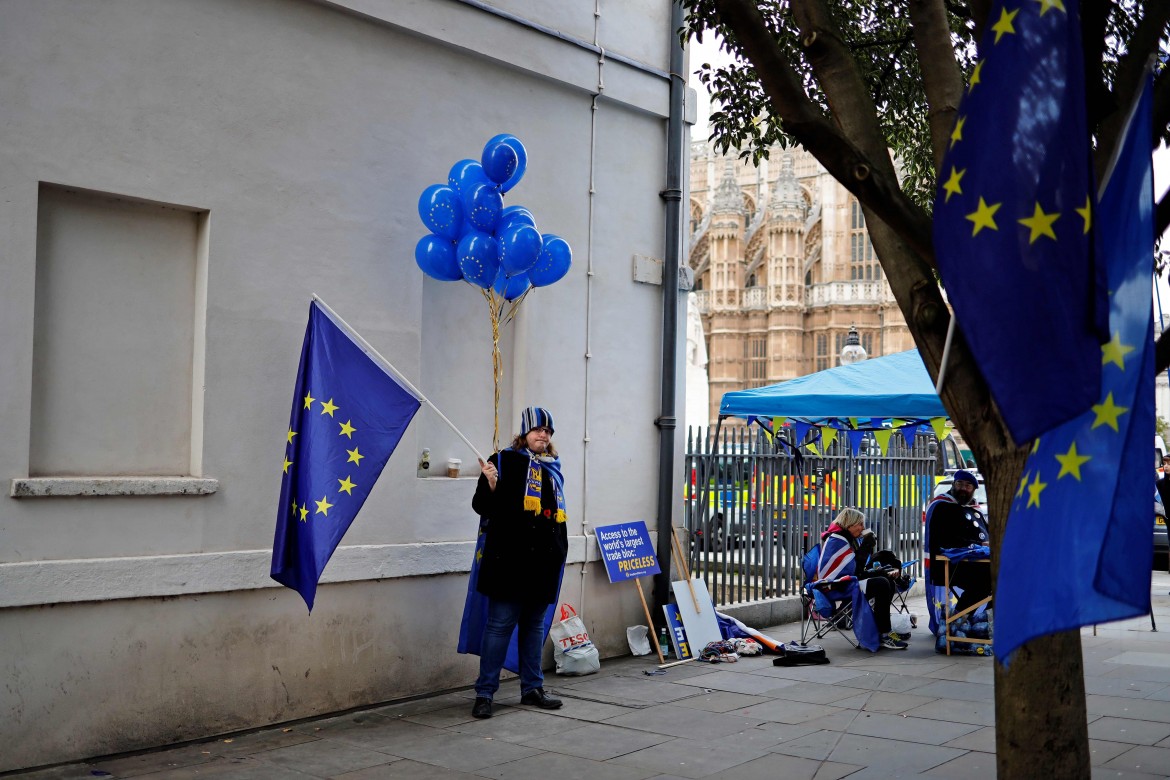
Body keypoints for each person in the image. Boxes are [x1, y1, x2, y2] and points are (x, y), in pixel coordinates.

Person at [468, 406, 569, 719]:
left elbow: (558, 519)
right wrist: (491, 483)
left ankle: (532, 688)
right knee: (498, 627)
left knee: (534, 627)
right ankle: (485, 693)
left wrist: (559, 552)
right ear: (525, 432)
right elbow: (481, 506)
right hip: (508, 562)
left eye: (548, 431)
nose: (543, 435)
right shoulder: (502, 460)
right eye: (538, 429)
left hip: (543, 565)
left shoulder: (553, 467)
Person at [818, 507, 908, 650]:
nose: (863, 528)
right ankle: (883, 633)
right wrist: (866, 546)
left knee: (886, 580)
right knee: (882, 584)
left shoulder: (846, 538)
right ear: (849, 524)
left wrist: (881, 570)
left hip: (846, 581)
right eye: (860, 524)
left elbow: (856, 570)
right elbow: (855, 570)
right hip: (836, 586)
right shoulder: (838, 540)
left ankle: (883, 631)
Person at [926, 469, 991, 616]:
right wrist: (980, 545)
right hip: (952, 565)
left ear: (973, 490)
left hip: (977, 562)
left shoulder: (976, 512)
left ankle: (983, 621)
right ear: (953, 484)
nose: (963, 488)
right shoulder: (942, 507)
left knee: (1005, 576)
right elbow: (946, 540)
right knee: (987, 578)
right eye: (959, 483)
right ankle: (959, 620)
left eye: (968, 486)